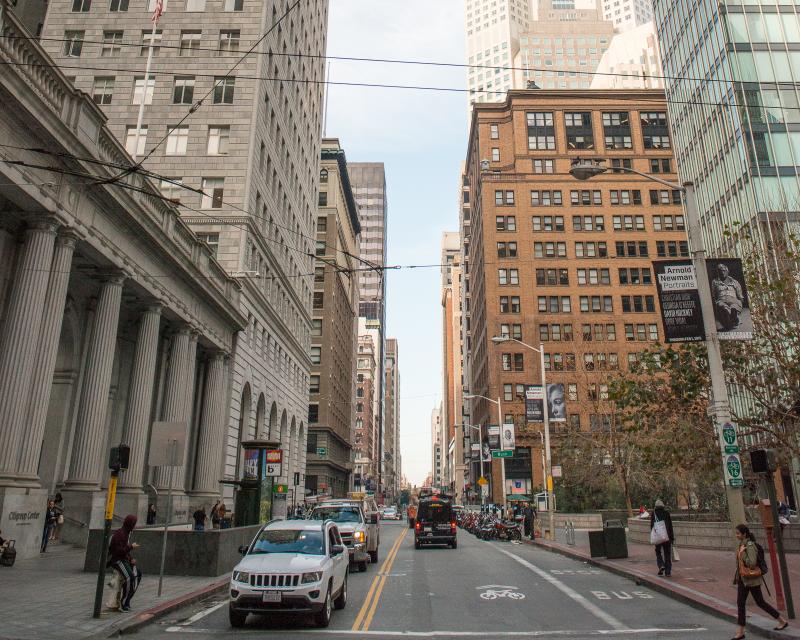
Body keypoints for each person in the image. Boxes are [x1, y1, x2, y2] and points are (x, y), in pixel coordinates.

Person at [731, 524, 788, 639]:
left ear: (744, 534)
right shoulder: (742, 544)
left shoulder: (749, 545)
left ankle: (782, 620)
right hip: (743, 579)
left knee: (760, 602)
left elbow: (752, 563)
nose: (736, 535)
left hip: (751, 579)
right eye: (736, 533)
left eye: (738, 533)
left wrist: (742, 554)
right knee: (741, 603)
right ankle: (741, 631)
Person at [108, 515, 142, 612]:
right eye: (134, 524)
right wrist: (131, 547)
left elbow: (124, 550)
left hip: (123, 559)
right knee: (129, 577)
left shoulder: (126, 533)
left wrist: (131, 559)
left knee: (138, 574)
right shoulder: (120, 534)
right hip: (117, 560)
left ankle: (127, 600)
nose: (135, 526)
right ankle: (123, 603)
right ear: (130, 524)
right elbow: (119, 551)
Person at [711, 262, 744, 331]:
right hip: (722, 300)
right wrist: (715, 304)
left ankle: (734, 315)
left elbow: (740, 296)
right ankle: (730, 318)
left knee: (733, 307)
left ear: (727, 271)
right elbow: (713, 295)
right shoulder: (715, 282)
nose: (722, 273)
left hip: (733, 300)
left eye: (724, 271)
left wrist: (740, 304)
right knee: (722, 307)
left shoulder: (734, 282)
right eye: (720, 271)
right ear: (718, 272)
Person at [650, 499, 674, 577]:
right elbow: (670, 526)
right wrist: (672, 538)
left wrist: (654, 534)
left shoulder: (654, 514)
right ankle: (668, 572)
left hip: (658, 537)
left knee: (658, 551)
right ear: (663, 506)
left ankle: (661, 565)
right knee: (667, 553)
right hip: (666, 537)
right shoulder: (666, 513)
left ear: (655, 506)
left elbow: (652, 526)